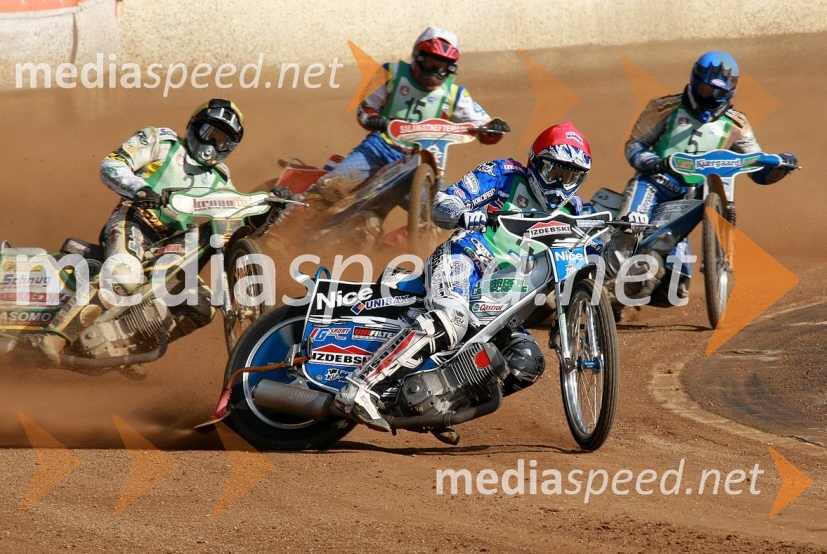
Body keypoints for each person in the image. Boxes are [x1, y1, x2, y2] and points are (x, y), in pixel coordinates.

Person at [334, 122, 592, 442]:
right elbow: (445, 201)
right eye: (554, 172)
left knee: (526, 361)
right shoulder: (504, 174)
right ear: (535, 162)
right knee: (450, 319)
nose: (560, 185)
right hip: (465, 260)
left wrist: (620, 238)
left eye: (571, 177)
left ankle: (440, 404)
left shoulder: (574, 209)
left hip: (505, 296)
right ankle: (359, 387)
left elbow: (594, 247)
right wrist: (462, 212)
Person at [39, 98, 258, 363]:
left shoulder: (221, 178)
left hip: (174, 244)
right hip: (135, 221)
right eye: (209, 133)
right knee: (124, 274)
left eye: (222, 140)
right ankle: (54, 335)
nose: (212, 144)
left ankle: (124, 347)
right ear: (194, 126)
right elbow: (112, 163)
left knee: (201, 306)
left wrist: (270, 207)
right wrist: (141, 190)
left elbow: (236, 216)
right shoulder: (161, 141)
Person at [618, 51, 798, 300]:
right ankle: (605, 281)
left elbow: (756, 168)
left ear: (731, 92)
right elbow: (635, 145)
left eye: (719, 93)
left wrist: (778, 168)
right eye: (705, 89)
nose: (711, 97)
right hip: (656, 183)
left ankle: (638, 283)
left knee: (674, 291)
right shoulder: (665, 107)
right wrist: (652, 161)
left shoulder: (737, 123)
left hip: (692, 195)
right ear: (694, 81)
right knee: (629, 229)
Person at [308, 26, 510, 246]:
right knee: (331, 187)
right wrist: (373, 118)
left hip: (424, 163)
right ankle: (285, 226)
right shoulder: (392, 73)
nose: (435, 72)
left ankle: (387, 250)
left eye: (442, 67)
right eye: (431, 63)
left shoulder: (455, 94)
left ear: (451, 69)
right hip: (380, 148)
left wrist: (493, 128)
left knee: (437, 222)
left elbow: (483, 126)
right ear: (417, 56)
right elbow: (366, 108)